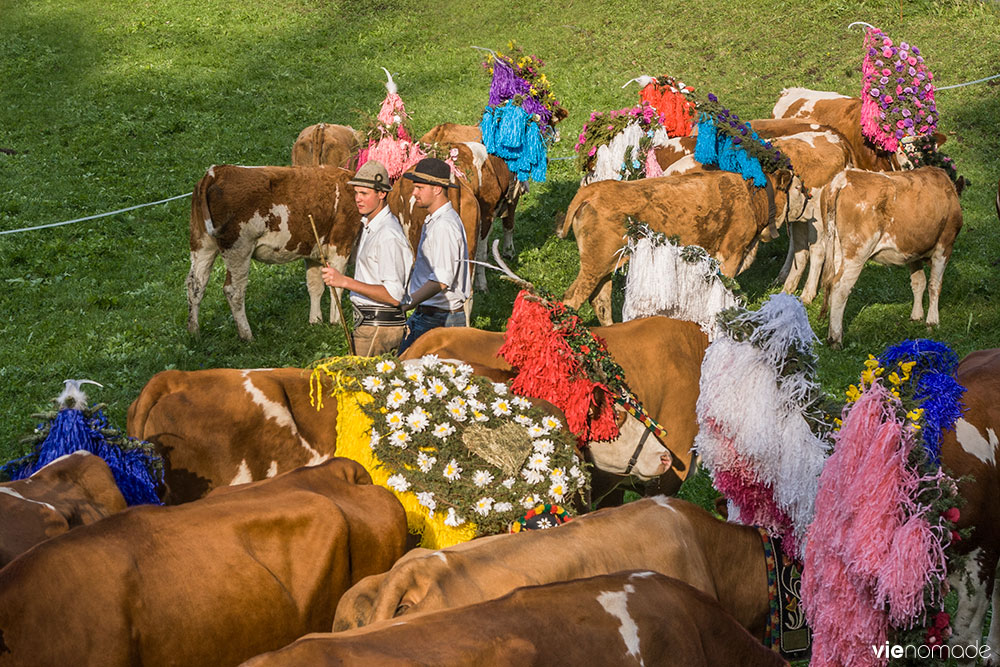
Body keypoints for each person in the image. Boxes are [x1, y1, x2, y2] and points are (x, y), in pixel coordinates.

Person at [322, 160, 413, 356]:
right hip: (369, 326)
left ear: (382, 194)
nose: (357, 199)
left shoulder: (388, 235)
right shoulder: (371, 226)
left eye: (364, 193)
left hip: (379, 330)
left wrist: (344, 281)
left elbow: (393, 295)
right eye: (356, 193)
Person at [397, 157, 471, 354]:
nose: (414, 193)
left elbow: (442, 280)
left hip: (440, 319)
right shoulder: (437, 220)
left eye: (419, 187)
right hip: (430, 315)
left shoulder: (444, 226)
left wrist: (405, 304)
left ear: (437, 189)